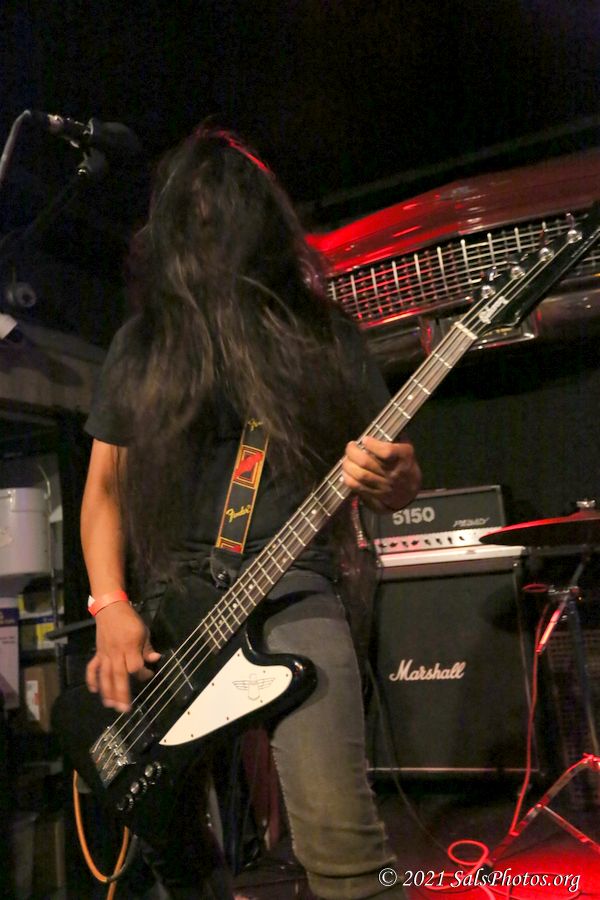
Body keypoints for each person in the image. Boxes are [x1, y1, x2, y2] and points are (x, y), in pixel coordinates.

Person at [81, 124, 421, 900]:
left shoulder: (321, 333)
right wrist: (110, 605)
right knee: (177, 860)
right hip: (171, 607)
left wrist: (395, 477)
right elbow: (102, 489)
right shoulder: (143, 345)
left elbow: (396, 474)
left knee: (345, 848)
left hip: (292, 587)